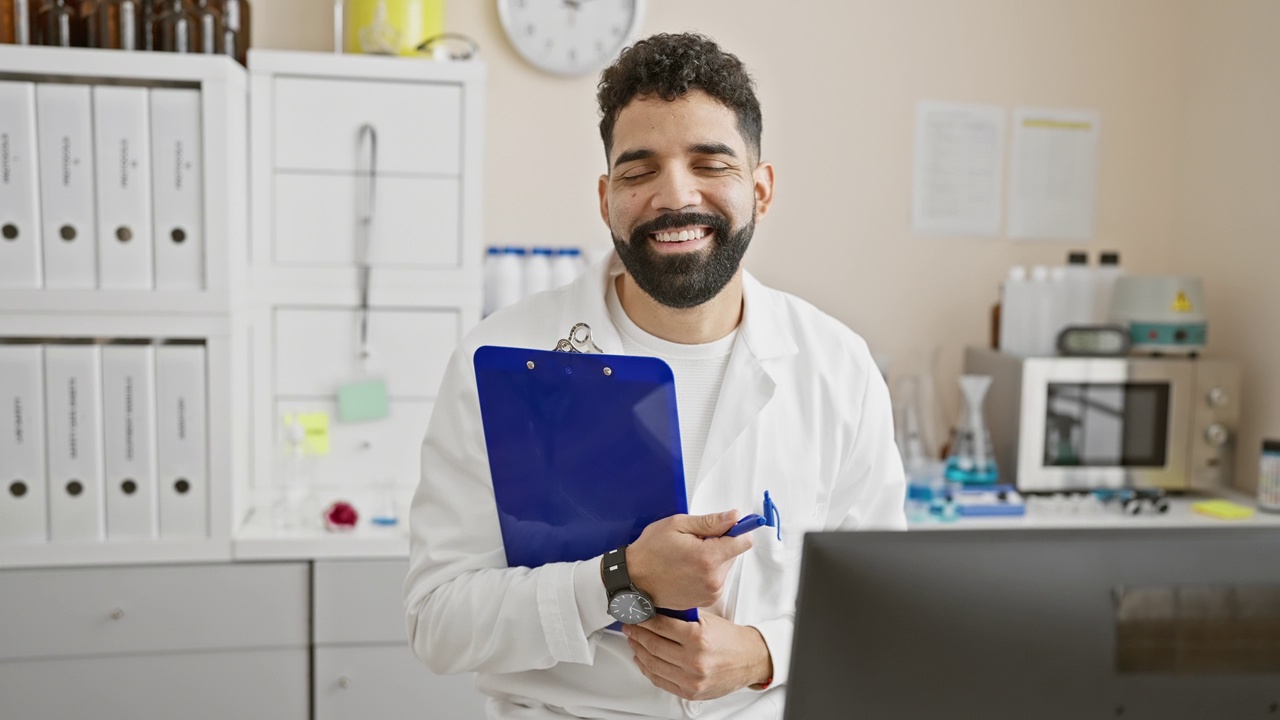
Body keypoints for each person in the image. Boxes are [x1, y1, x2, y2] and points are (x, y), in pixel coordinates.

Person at [404, 32, 906, 720]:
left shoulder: (837, 367)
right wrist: (618, 581)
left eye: (710, 163)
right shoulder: (501, 357)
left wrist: (762, 654)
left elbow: (881, 610)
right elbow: (439, 623)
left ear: (760, 189)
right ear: (606, 197)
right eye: (640, 171)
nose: (675, 196)